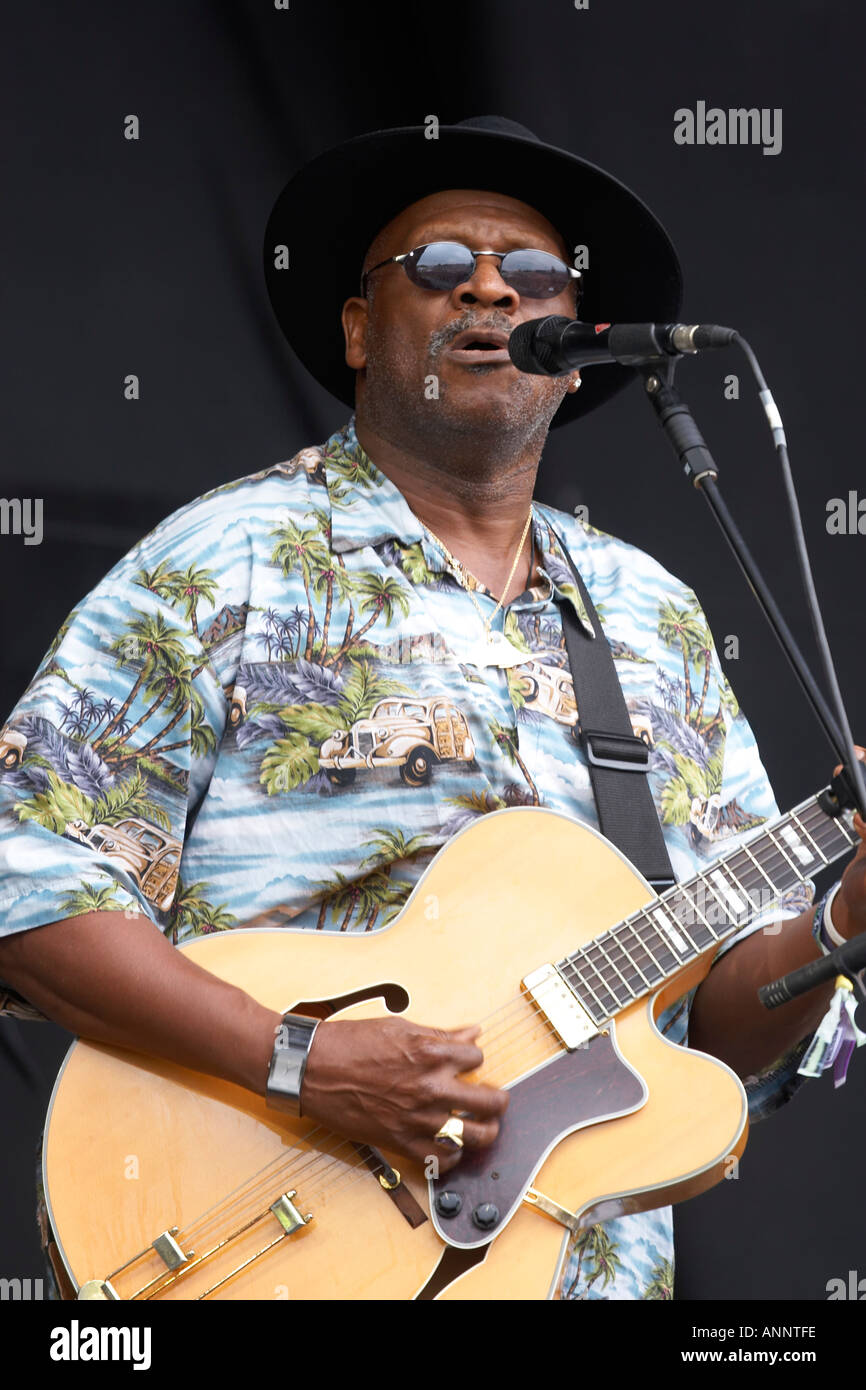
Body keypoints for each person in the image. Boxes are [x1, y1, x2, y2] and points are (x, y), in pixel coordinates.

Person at [0, 116, 863, 1301]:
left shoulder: (651, 616)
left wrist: (839, 917)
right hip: (264, 1237)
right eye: (442, 264)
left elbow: (712, 1025)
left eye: (537, 274)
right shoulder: (225, 559)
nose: (493, 288)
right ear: (360, 329)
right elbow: (28, 882)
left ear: (576, 347)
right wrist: (304, 1060)